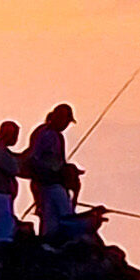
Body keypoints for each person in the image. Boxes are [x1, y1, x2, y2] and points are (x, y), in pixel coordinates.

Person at [26, 102, 105, 242]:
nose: (66, 125)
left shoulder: (53, 135)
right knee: (64, 217)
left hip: (48, 183)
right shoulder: (46, 134)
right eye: (66, 121)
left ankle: (49, 243)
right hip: (50, 184)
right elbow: (35, 158)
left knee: (51, 220)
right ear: (58, 117)